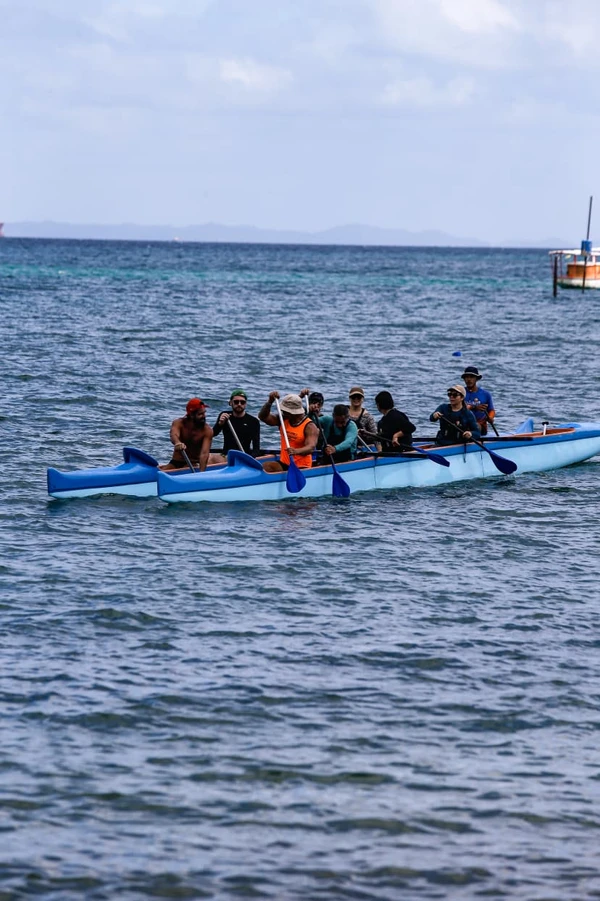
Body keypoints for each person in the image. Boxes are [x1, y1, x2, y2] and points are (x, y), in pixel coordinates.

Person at [258, 391, 319, 473]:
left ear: (293, 412)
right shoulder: (283, 419)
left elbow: (310, 447)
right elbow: (263, 417)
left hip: (302, 466)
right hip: (284, 463)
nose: (283, 412)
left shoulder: (310, 426)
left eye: (285, 410)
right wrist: (269, 402)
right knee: (266, 467)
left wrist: (296, 451)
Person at [163, 398, 223, 470]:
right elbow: (174, 435)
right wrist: (177, 442)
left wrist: (201, 473)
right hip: (176, 461)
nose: (204, 416)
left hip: (194, 463)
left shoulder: (207, 431)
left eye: (204, 413)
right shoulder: (178, 423)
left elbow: (204, 454)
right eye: (200, 414)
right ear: (191, 415)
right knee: (163, 471)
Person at [212, 389, 261, 458]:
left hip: (244, 456)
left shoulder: (253, 422)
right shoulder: (225, 416)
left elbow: (256, 449)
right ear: (230, 403)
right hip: (226, 455)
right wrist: (220, 424)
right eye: (236, 402)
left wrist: (249, 459)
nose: (239, 404)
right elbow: (213, 434)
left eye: (242, 402)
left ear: (246, 404)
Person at [461, 366, 496, 436]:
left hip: (480, 425)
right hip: (463, 423)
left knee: (475, 426)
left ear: (476, 379)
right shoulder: (460, 393)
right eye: (466, 377)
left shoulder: (486, 394)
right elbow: (457, 410)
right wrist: (474, 407)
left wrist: (490, 418)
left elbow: (491, 410)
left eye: (471, 377)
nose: (469, 380)